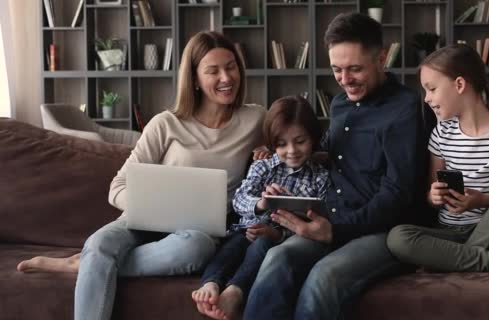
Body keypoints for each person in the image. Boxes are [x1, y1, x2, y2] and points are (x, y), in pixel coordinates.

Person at [17, 31, 267, 320]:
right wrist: (154, 208)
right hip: (142, 219)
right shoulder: (166, 124)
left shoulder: (255, 119)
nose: (226, 77)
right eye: (213, 71)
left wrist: (267, 149)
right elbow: (117, 187)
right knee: (99, 244)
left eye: (231, 66)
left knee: (195, 249)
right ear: (195, 79)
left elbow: (291, 143)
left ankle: (88, 264)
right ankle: (94, 259)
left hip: (196, 233)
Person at [242, 12, 433, 320]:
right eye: (337, 70)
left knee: (324, 277)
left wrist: (335, 231)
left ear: (382, 58)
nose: (344, 80)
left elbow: (397, 194)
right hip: (334, 217)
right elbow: (331, 152)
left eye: (355, 69)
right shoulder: (340, 104)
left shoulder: (407, 109)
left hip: (385, 231)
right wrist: (279, 154)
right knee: (279, 257)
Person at [387, 44, 489, 281]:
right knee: (398, 237)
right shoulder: (441, 133)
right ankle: (488, 261)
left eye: (432, 89)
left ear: (459, 85)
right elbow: (431, 194)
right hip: (449, 231)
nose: (427, 99)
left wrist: (480, 200)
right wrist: (434, 196)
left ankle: (455, 260)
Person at [191, 95, 330, 320]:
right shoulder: (263, 166)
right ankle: (211, 284)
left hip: (276, 238)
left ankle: (235, 291)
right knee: (230, 248)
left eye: (300, 141)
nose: (292, 150)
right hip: (244, 229)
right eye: (282, 144)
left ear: (313, 139)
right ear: (272, 143)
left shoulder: (320, 178)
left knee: (262, 246)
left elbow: (316, 221)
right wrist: (261, 203)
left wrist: (278, 233)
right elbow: (239, 199)